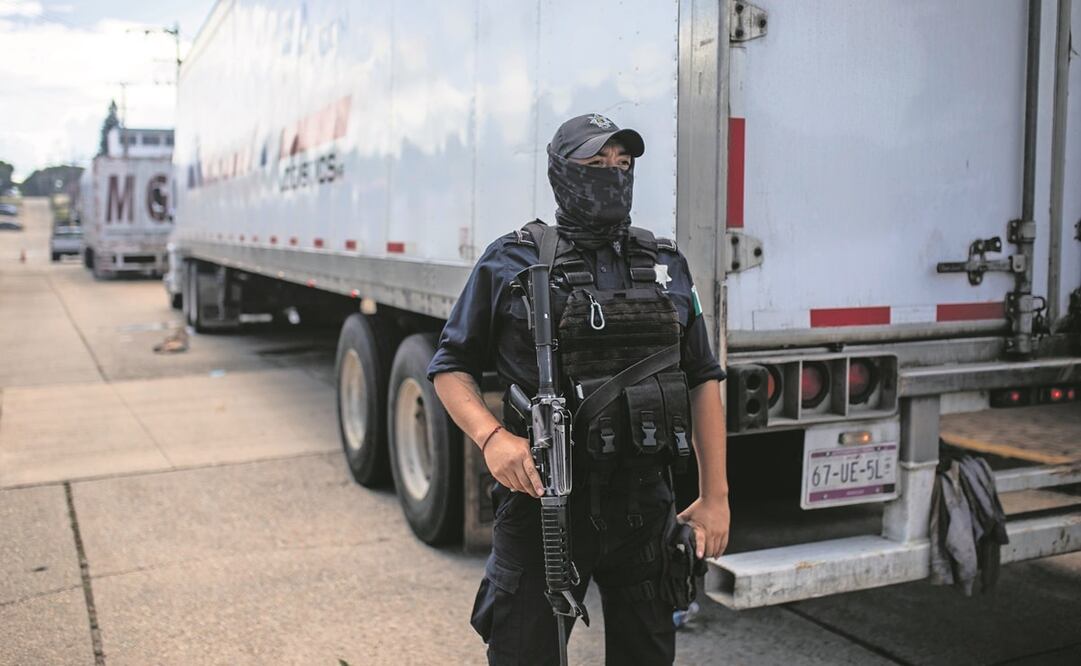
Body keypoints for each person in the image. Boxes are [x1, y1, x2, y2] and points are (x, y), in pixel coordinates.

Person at [427, 113, 730, 665]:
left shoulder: (665, 264)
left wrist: (716, 498)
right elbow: (450, 366)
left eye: (623, 163)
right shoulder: (513, 260)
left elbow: (703, 377)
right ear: (561, 173)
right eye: (595, 163)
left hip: (645, 510)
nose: (612, 174)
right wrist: (492, 438)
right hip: (544, 505)